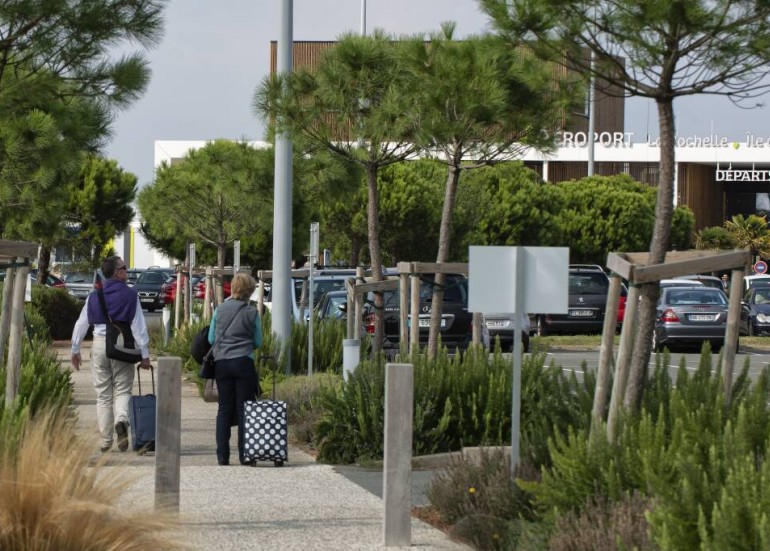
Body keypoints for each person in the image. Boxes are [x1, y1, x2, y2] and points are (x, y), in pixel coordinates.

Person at [70, 256, 152, 453]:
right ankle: (121, 419)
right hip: (122, 346)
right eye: (124, 268)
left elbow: (81, 323)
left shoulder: (94, 296)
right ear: (117, 272)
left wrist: (75, 349)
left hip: (99, 346)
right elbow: (138, 327)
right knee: (123, 390)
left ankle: (106, 441)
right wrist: (145, 354)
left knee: (103, 395)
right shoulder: (131, 295)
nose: (127, 270)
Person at [208, 273, 263, 466]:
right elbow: (258, 341)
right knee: (244, 410)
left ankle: (222, 456)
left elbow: (211, 339)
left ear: (233, 287)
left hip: (222, 364)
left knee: (224, 409)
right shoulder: (252, 313)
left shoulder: (220, 310)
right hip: (243, 363)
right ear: (250, 291)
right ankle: (245, 455)